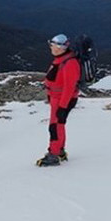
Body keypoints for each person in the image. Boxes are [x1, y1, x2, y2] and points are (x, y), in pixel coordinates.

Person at [37, 34, 80, 167]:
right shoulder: (61, 59)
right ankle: (59, 151)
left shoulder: (70, 63)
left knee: (54, 127)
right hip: (57, 99)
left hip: (62, 100)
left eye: (53, 44)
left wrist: (62, 107)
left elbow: (69, 87)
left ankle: (53, 154)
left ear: (61, 48)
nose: (51, 47)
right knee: (58, 125)